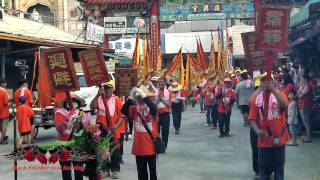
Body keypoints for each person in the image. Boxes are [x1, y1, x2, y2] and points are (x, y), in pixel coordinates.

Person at [248, 73, 290, 180]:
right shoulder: (256, 98)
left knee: (279, 170)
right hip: (263, 141)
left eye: (269, 81)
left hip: (279, 139)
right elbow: (252, 118)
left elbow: (285, 105)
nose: (266, 83)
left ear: (273, 82)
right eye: (263, 81)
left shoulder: (280, 94)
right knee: (264, 171)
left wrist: (273, 91)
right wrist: (258, 132)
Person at [122, 86, 159, 180]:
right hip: (139, 147)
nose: (140, 99)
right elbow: (123, 110)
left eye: (141, 97)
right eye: (139, 97)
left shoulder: (151, 107)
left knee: (153, 173)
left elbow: (154, 110)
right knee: (141, 174)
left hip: (151, 146)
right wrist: (131, 97)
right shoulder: (134, 108)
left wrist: (145, 97)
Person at [90, 81, 124, 179]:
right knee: (102, 150)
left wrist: (116, 126)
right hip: (101, 129)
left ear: (113, 89)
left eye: (109, 88)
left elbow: (122, 116)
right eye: (105, 88)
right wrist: (97, 95)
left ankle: (115, 170)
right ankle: (105, 170)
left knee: (115, 151)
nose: (107, 90)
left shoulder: (116, 99)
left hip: (114, 128)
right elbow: (92, 107)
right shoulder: (99, 99)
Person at [55, 98, 84, 180]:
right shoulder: (59, 113)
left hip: (77, 145)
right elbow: (59, 129)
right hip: (63, 145)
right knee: (66, 172)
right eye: (69, 101)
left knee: (79, 171)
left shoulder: (80, 113)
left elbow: (83, 129)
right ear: (65, 103)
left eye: (74, 101)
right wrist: (68, 118)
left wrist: (79, 123)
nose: (71, 103)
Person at [154, 77, 171, 150]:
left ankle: (164, 146)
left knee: (165, 131)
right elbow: (153, 105)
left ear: (164, 83)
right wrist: (158, 99)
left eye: (162, 82)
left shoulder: (168, 92)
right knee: (156, 131)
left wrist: (162, 99)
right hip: (156, 114)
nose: (160, 83)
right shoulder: (154, 92)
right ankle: (157, 147)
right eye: (159, 82)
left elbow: (169, 105)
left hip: (165, 114)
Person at [297, 74, 313, 143]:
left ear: (305, 79)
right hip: (301, 105)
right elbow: (298, 94)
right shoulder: (302, 85)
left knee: (306, 122)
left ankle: (308, 137)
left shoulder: (307, 86)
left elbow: (301, 95)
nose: (300, 79)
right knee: (305, 121)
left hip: (305, 105)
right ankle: (307, 136)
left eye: (302, 78)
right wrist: (300, 91)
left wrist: (300, 91)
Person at [0, 79, 9, 144]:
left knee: (0, 125)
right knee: (4, 126)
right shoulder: (4, 91)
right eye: (5, 83)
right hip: (4, 111)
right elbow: (6, 102)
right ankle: (2, 140)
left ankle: (4, 136)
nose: (6, 84)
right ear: (2, 84)